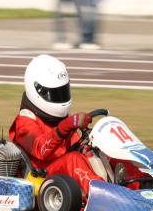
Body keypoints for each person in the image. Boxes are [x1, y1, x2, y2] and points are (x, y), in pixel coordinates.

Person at [9, 54, 145, 196]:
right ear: (36, 90)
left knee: (101, 151)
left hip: (65, 177)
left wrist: (87, 147)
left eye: (63, 92)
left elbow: (75, 146)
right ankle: (104, 195)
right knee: (74, 159)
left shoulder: (58, 120)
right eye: (55, 94)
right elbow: (41, 150)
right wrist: (66, 126)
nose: (61, 99)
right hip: (43, 178)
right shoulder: (25, 122)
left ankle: (142, 183)